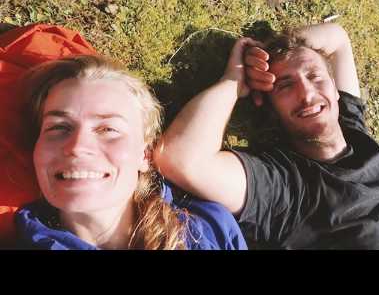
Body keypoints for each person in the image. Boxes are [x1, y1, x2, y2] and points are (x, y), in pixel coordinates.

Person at [154, 22, 379, 249]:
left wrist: (279, 45)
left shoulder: (354, 131)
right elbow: (180, 157)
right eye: (286, 86)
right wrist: (234, 81)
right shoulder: (288, 187)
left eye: (314, 76)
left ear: (334, 88)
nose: (307, 94)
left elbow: (339, 40)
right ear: (270, 108)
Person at [14, 55, 247, 250]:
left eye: (107, 129)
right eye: (59, 127)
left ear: (145, 154)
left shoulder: (210, 227)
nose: (76, 147)